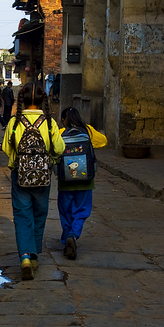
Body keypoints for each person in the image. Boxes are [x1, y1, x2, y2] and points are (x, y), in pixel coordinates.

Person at [1, 82, 65, 281]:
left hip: (19, 174)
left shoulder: (14, 122)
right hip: (43, 177)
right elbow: (59, 148)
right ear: (42, 100)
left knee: (22, 215)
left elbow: (6, 148)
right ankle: (35, 255)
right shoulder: (49, 122)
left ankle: (25, 257)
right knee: (39, 213)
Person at [57, 107, 107, 260]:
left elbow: (52, 148)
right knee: (82, 210)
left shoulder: (60, 133)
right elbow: (103, 141)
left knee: (65, 210)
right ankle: (74, 234)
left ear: (64, 120)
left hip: (65, 180)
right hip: (86, 180)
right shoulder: (88, 131)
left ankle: (67, 238)